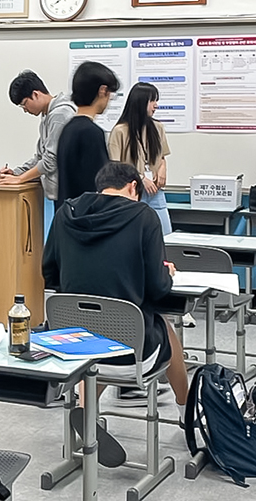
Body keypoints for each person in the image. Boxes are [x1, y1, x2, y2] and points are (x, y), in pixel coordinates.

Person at [43, 161, 190, 425]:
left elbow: (49, 274)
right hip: (129, 354)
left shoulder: (66, 213)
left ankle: (88, 416)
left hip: (72, 345)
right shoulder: (144, 217)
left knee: (95, 335)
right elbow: (158, 290)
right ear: (134, 186)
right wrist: (165, 274)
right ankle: (187, 412)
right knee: (165, 327)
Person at [0, 69, 77, 201]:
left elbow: (50, 160)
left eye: (24, 104)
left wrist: (20, 179)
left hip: (69, 194)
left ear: (35, 94)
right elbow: (40, 157)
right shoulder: (47, 116)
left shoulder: (60, 115)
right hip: (62, 193)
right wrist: (16, 173)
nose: (25, 110)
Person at [108, 82, 172, 235]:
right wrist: (142, 178)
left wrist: (162, 170)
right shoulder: (120, 131)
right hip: (131, 193)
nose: (156, 105)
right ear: (140, 102)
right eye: (152, 101)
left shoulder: (157, 127)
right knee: (134, 236)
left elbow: (162, 156)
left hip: (155, 192)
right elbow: (116, 167)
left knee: (166, 235)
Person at [56, 61, 119, 208]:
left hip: (67, 217)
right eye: (110, 94)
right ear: (102, 91)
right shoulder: (91, 132)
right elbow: (100, 186)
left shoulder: (68, 129)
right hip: (87, 220)